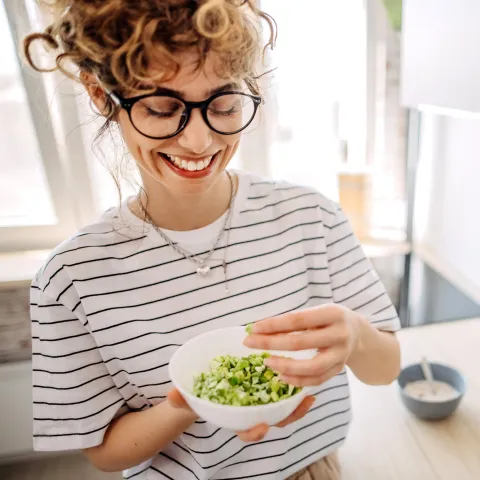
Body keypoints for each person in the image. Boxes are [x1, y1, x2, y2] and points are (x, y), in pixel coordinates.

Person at [25, 1, 401, 479]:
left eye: (223, 104)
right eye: (162, 108)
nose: (200, 141)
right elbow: (104, 451)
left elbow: (385, 368)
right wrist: (186, 404)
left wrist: (354, 334)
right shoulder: (71, 279)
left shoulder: (311, 217)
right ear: (101, 95)